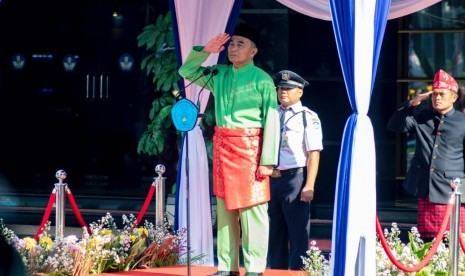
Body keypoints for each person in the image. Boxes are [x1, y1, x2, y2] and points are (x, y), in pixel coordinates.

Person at [178, 24, 280, 276]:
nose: (234, 48)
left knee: (253, 210)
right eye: (231, 44)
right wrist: (205, 51)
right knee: (225, 211)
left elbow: (272, 120)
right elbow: (186, 70)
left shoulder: (263, 80)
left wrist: (267, 160)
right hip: (224, 148)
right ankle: (227, 266)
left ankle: (255, 267)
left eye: (240, 44)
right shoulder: (218, 74)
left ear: (253, 51)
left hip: (250, 149)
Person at [387, 69, 465, 240]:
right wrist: (411, 104)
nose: (437, 98)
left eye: (441, 94)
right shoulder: (423, 117)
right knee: (427, 241)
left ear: (454, 97)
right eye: (434, 94)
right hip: (426, 189)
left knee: (455, 241)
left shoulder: (462, 122)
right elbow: (394, 125)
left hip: (452, 191)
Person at [267, 70, 323, 270]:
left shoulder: (308, 117)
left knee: (298, 233)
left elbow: (313, 153)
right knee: (274, 233)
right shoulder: (271, 113)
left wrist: (309, 185)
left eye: (288, 89)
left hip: (294, 179)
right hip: (271, 179)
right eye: (281, 88)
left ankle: (297, 272)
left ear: (300, 92)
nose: (283, 92)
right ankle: (276, 271)